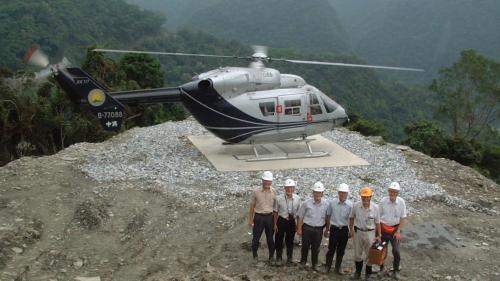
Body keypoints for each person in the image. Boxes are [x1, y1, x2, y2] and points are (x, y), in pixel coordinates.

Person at [349, 186, 381, 280]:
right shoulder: (356, 206)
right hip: (358, 231)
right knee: (357, 254)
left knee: (369, 254)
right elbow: (351, 217)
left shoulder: (375, 208)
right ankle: (357, 273)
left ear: (370, 197)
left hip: (370, 233)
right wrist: (350, 229)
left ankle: (368, 274)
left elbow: (378, 222)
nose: (365, 199)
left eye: (367, 197)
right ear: (361, 197)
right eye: (364, 197)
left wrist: (379, 235)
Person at [296, 181, 330, 271]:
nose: (317, 194)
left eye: (319, 192)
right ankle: (303, 261)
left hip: (319, 229)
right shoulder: (306, 203)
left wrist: (327, 229)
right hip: (307, 227)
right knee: (305, 246)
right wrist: (299, 229)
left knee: (316, 247)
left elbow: (327, 218)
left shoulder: (326, 204)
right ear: (313, 193)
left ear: (322, 193)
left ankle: (314, 264)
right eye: (316, 192)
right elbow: (300, 216)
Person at [379, 182, 408, 280]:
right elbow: (378, 216)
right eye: (391, 191)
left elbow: (403, 218)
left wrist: (399, 231)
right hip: (384, 228)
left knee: (396, 251)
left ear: (397, 193)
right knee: (381, 249)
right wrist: (378, 232)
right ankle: (381, 269)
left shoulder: (401, 202)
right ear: (388, 191)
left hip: (395, 229)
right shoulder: (383, 201)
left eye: (395, 192)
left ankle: (395, 270)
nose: (392, 194)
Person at [324, 183, 353, 274]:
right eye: (341, 193)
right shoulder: (332, 203)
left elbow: (351, 218)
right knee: (331, 248)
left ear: (347, 194)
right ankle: (327, 266)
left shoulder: (350, 205)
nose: (343, 195)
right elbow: (328, 215)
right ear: (338, 193)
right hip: (334, 228)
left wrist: (351, 230)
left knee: (341, 250)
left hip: (344, 229)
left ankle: (338, 267)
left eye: (344, 193)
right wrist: (327, 228)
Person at [248, 171, 277, 262]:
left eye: (269, 181)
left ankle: (271, 256)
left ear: (271, 182)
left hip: (269, 217)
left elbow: (276, 208)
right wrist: (250, 219)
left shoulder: (274, 191)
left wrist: (275, 222)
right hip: (259, 217)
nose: (267, 183)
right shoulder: (256, 192)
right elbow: (252, 206)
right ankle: (255, 255)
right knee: (256, 238)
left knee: (270, 239)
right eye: (265, 181)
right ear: (262, 180)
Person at [273, 178, 301, 265]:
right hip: (281, 220)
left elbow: (299, 214)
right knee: (279, 240)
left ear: (294, 188)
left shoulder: (297, 198)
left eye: (291, 187)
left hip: (291, 221)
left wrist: (298, 226)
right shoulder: (278, 198)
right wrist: (275, 224)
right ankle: (279, 258)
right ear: (284, 188)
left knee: (290, 240)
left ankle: (289, 258)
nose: (289, 189)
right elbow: (275, 212)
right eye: (287, 187)